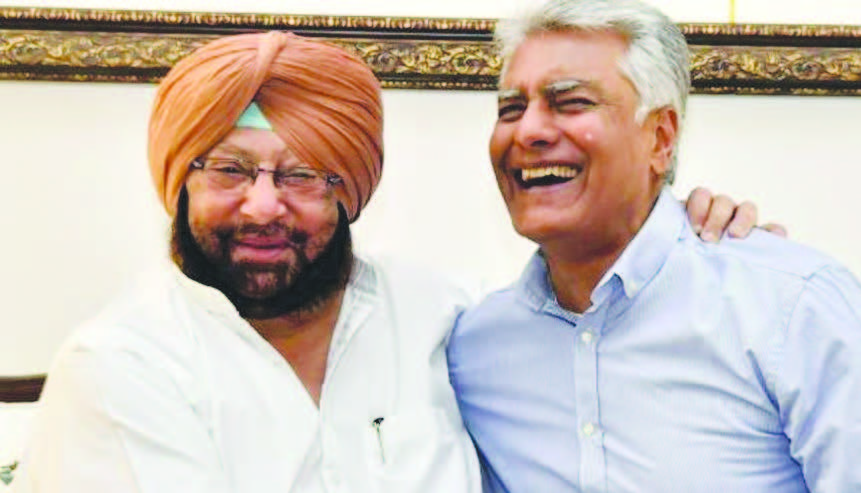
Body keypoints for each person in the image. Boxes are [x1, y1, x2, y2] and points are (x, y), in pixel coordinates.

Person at [16, 30, 762, 493]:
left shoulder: (444, 319)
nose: (263, 206)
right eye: (229, 171)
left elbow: (591, 329)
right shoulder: (120, 365)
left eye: (303, 175)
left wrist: (683, 233)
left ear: (351, 191)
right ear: (180, 184)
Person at [447, 0, 861, 492]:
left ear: (660, 138)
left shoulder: (790, 308)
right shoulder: (473, 351)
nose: (530, 130)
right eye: (510, 109)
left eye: (571, 102)